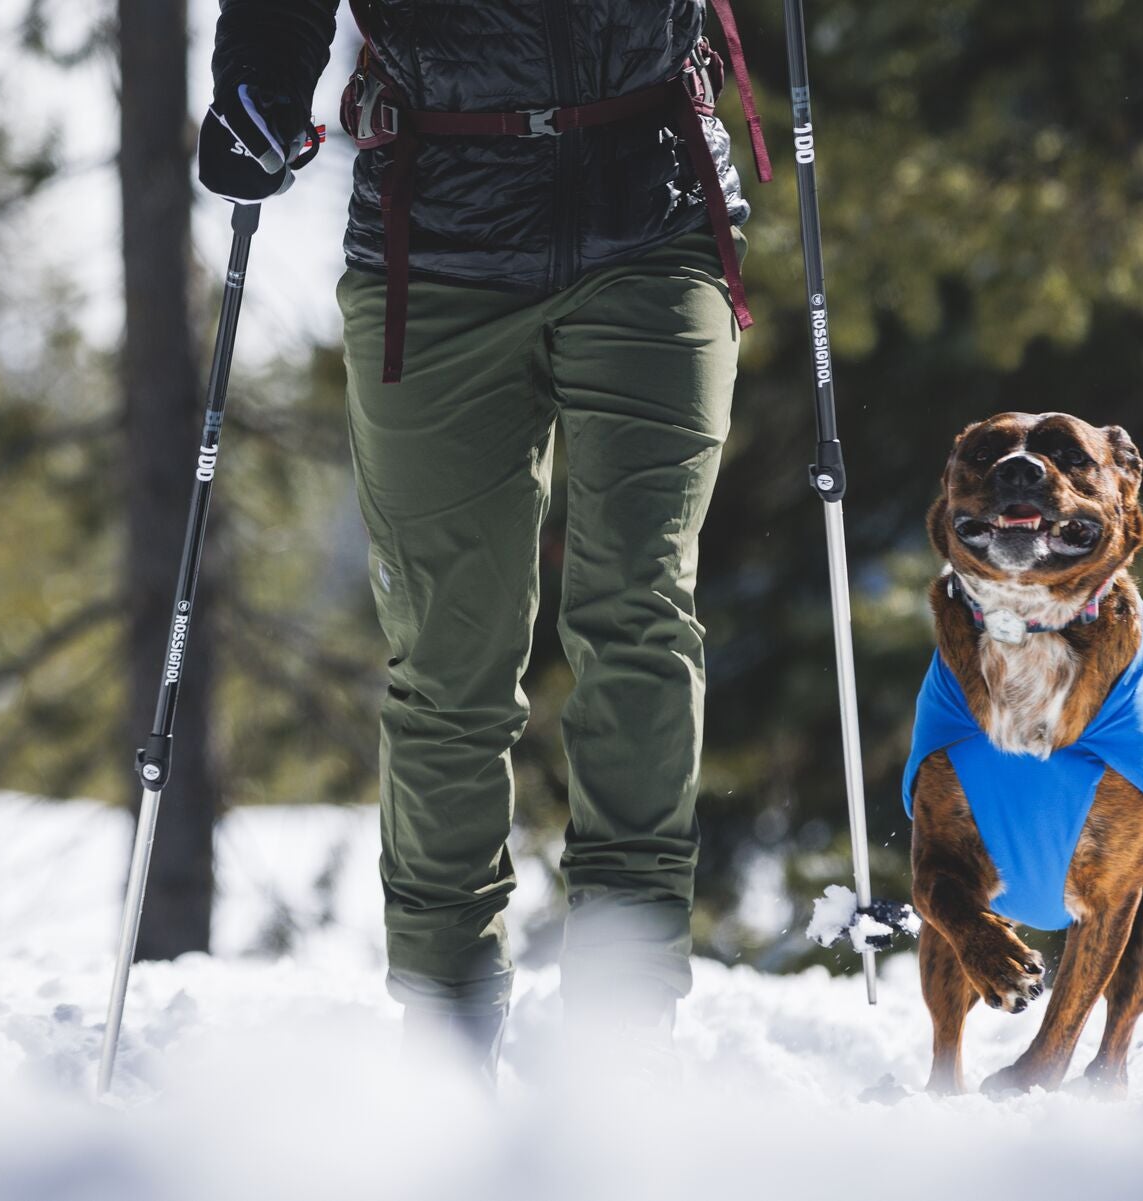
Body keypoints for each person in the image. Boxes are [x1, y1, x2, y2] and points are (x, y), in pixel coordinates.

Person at [198, 0, 770, 1075]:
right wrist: (254, 87)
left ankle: (624, 1009)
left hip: (654, 216)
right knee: (452, 657)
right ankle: (447, 1019)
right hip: (437, 239)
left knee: (637, 611)